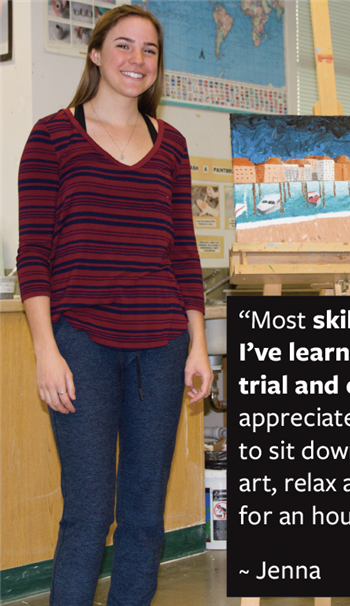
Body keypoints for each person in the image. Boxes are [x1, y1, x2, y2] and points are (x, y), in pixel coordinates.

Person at [16, 6, 213, 605]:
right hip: (81, 342)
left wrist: (198, 345)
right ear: (96, 54)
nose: (137, 59)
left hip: (161, 344)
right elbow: (34, 257)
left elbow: (184, 253)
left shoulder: (171, 144)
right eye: (123, 46)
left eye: (149, 50)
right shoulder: (52, 135)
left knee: (144, 510)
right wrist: (46, 351)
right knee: (89, 507)